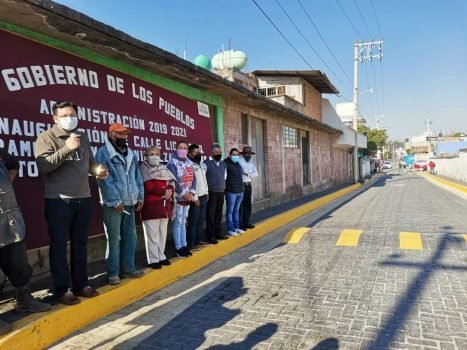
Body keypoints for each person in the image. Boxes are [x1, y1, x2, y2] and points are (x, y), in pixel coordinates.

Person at [35, 100, 106, 305]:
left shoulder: (82, 137)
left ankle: (81, 284)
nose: (69, 118)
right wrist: (67, 148)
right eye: (64, 115)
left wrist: (98, 171)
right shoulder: (46, 138)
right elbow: (44, 166)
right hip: (59, 201)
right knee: (59, 246)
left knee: (81, 244)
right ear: (55, 118)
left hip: (83, 198)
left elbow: (91, 164)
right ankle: (62, 289)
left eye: (72, 114)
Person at [0, 148, 51, 334]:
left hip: (9, 220)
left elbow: (13, 164)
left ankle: (25, 302)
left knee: (19, 265)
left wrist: (8, 185)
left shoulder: (1, 153)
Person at [95, 123, 144, 285]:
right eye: (120, 134)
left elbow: (137, 177)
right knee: (114, 238)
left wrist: (140, 196)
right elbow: (104, 180)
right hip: (113, 204)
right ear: (112, 135)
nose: (124, 137)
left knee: (131, 236)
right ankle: (113, 273)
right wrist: (115, 201)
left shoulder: (130, 153)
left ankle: (128, 268)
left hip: (130, 201)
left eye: (125, 134)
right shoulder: (103, 153)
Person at [139, 146, 176, 269]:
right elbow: (149, 187)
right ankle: (153, 259)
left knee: (162, 233)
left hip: (164, 206)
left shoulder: (163, 168)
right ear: (146, 156)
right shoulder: (143, 168)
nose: (154, 156)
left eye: (156, 154)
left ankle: (161, 256)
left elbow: (171, 181)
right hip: (151, 207)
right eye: (151, 154)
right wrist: (164, 191)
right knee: (152, 235)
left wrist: (170, 188)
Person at [167, 140, 196, 258]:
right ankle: (178, 247)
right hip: (178, 197)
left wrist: (192, 192)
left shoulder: (189, 162)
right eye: (180, 147)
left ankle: (184, 245)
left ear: (187, 150)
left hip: (188, 197)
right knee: (178, 222)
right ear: (176, 148)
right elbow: (174, 180)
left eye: (185, 148)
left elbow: (194, 179)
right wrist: (184, 193)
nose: (182, 149)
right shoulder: (172, 163)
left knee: (183, 221)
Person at [187, 144, 211, 250]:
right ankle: (192, 243)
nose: (198, 154)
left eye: (199, 152)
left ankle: (198, 240)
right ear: (189, 154)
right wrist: (195, 197)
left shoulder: (200, 164)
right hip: (195, 197)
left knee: (201, 219)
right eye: (195, 153)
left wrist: (206, 192)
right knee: (194, 220)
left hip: (203, 196)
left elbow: (203, 180)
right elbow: (189, 183)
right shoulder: (189, 165)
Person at [204, 144, 228, 244]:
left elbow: (225, 177)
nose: (219, 154)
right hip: (211, 192)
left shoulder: (222, 164)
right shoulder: (205, 163)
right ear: (212, 152)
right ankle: (211, 236)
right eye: (217, 152)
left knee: (218, 214)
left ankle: (218, 233)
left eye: (220, 152)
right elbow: (203, 178)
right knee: (211, 214)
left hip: (221, 192)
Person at [225, 148, 245, 236]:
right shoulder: (226, 163)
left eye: (237, 155)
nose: (236, 156)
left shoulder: (238, 164)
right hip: (231, 191)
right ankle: (230, 229)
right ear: (229, 155)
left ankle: (237, 227)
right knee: (230, 210)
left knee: (236, 210)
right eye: (234, 154)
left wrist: (242, 189)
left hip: (240, 191)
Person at [238, 146, 258, 230]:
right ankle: (240, 224)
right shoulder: (239, 161)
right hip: (241, 185)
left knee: (248, 204)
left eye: (249, 154)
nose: (248, 155)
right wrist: (249, 172)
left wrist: (248, 173)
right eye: (246, 153)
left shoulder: (251, 162)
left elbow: (256, 173)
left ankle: (247, 222)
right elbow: (241, 171)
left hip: (248, 185)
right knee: (241, 205)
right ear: (243, 154)